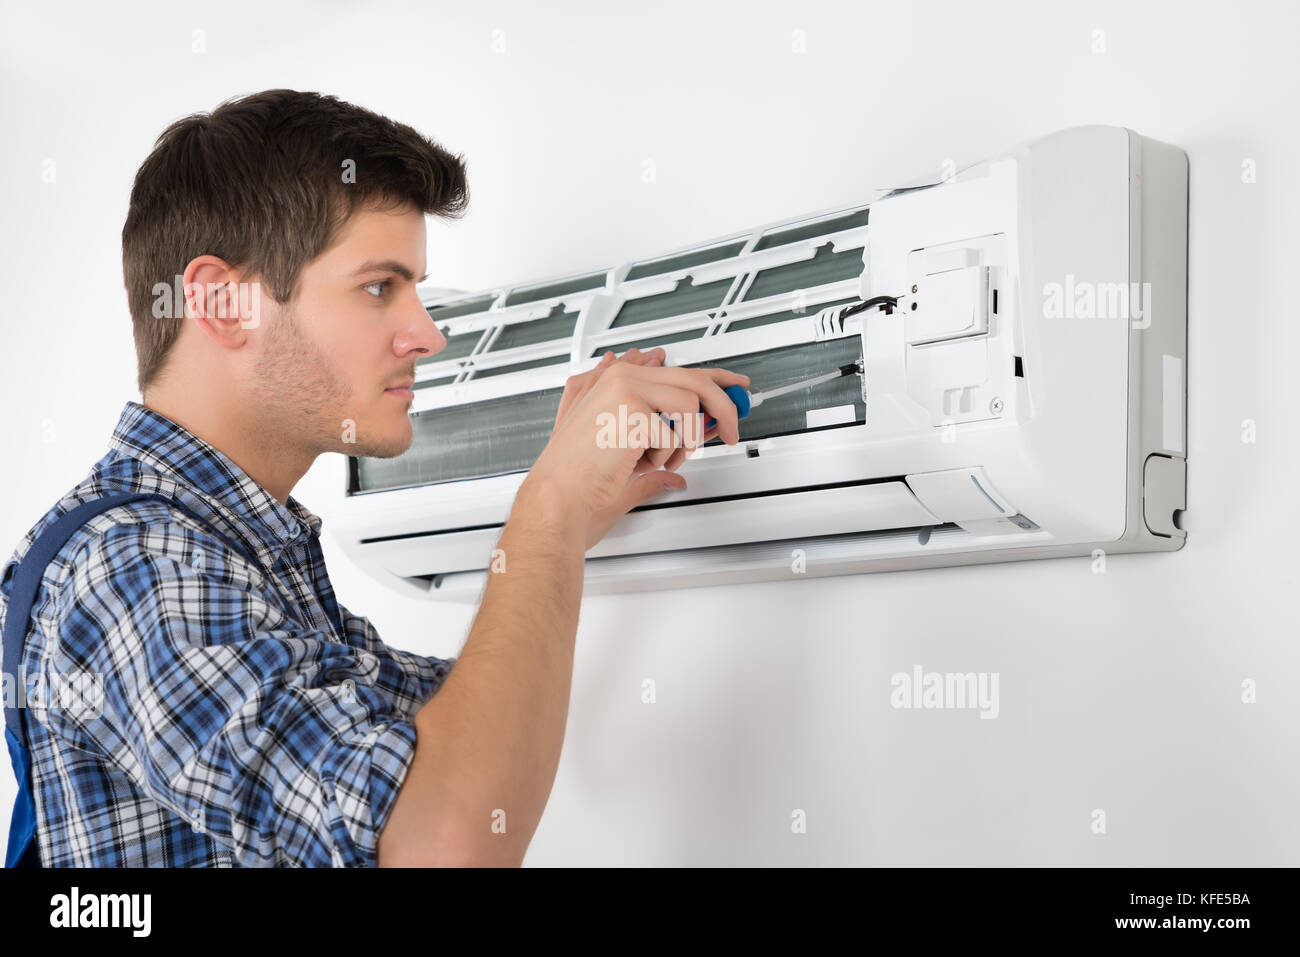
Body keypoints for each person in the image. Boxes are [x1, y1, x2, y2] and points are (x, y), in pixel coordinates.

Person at [0, 89, 749, 867]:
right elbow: (443, 842)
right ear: (222, 303)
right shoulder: (135, 567)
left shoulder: (239, 557)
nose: (425, 333)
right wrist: (549, 511)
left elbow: (462, 746)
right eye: (379, 287)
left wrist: (571, 503)